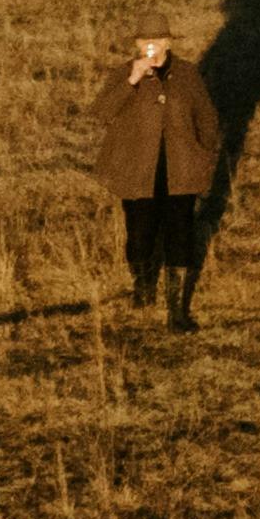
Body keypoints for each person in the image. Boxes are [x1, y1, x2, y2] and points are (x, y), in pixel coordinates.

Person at [92, 21, 221, 330]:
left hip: (180, 170)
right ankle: (143, 284)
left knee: (181, 234)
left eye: (157, 38)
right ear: (137, 43)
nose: (150, 44)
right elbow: (101, 112)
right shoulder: (124, 73)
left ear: (168, 42)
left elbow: (207, 117)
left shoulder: (188, 74)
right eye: (144, 39)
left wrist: (204, 155)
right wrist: (132, 80)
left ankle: (177, 312)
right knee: (140, 234)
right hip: (137, 170)